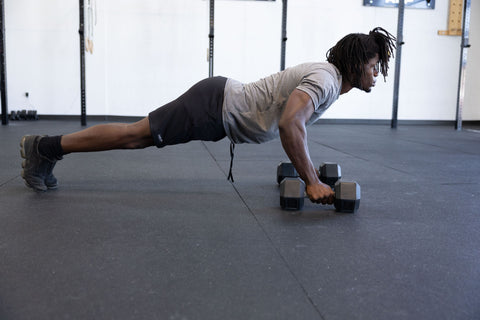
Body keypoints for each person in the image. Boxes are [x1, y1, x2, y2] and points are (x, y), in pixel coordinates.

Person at [20, 27, 396, 206]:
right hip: (214, 107)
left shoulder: (328, 79)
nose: (376, 73)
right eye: (375, 65)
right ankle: (44, 149)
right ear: (356, 62)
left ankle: (46, 149)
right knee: (133, 136)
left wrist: (307, 172)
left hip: (219, 102)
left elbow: (290, 120)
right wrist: (311, 181)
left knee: (135, 134)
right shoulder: (327, 80)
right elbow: (290, 124)